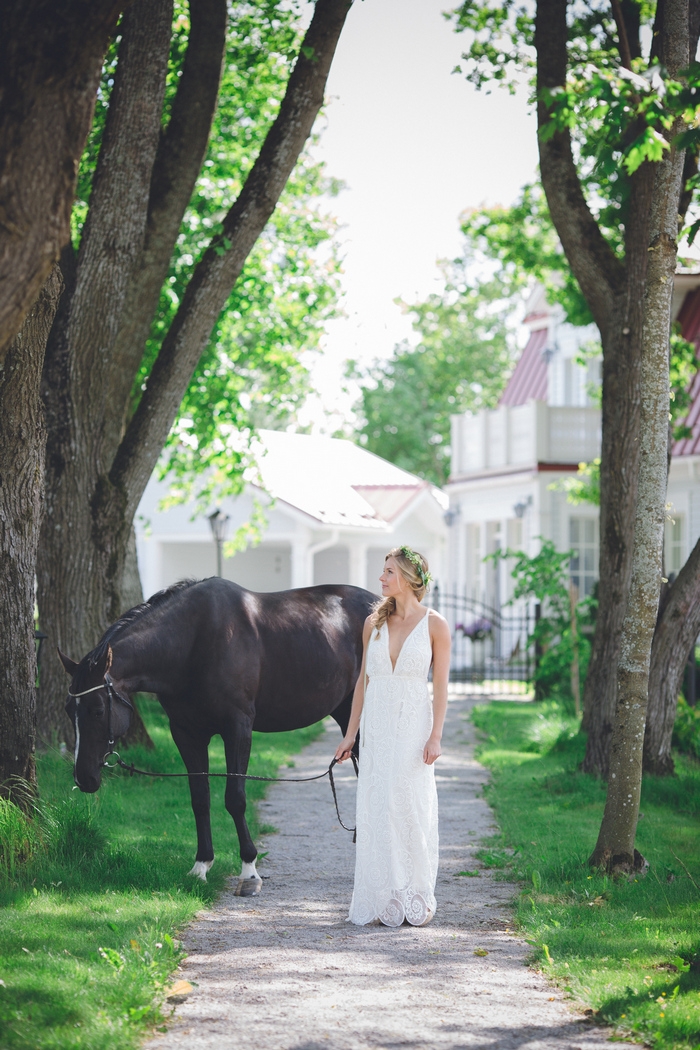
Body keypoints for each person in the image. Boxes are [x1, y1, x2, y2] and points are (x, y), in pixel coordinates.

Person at [335, 545, 451, 927]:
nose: (381, 578)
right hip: (378, 727)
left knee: (410, 805)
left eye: (388, 572)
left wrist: (436, 736)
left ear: (407, 578)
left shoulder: (436, 625)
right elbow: (362, 686)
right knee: (379, 805)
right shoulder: (374, 624)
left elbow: (441, 687)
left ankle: (415, 894)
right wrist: (350, 735)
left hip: (414, 726)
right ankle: (383, 895)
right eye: (383, 571)